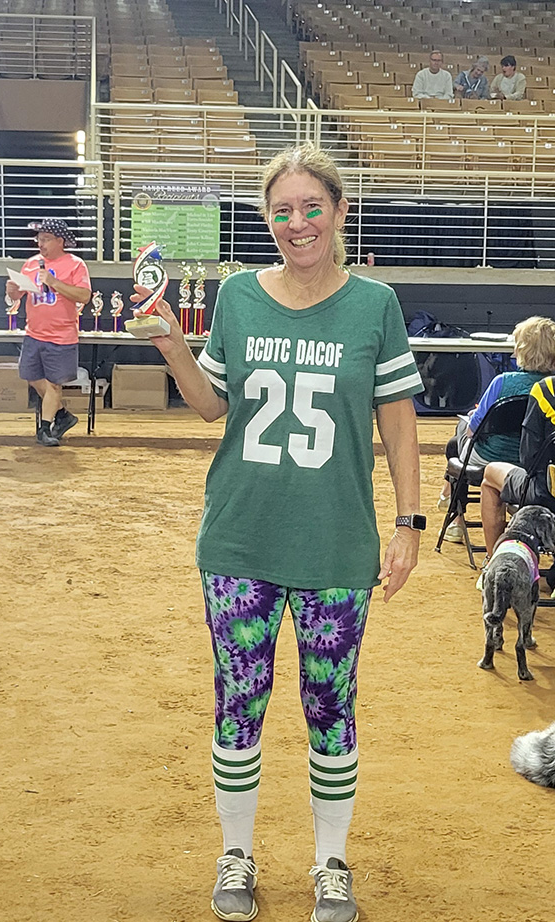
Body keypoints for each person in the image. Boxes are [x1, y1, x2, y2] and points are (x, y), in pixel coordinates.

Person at [131, 143, 425, 922]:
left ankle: (331, 863)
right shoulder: (236, 297)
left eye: (310, 208)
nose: (297, 224)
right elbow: (208, 405)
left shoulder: (376, 306)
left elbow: (397, 423)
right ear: (269, 219)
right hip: (239, 543)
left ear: (338, 210)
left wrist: (408, 522)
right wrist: (169, 341)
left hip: (335, 544)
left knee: (331, 705)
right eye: (281, 211)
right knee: (241, 700)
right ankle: (237, 854)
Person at [438, 316, 555, 543]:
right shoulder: (551, 388)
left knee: (457, 438)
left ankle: (456, 518)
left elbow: (473, 432)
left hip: (494, 460)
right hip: (536, 466)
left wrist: (474, 418)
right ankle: (449, 501)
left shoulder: (502, 382)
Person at [4, 219, 91, 446]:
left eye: (45, 239)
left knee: (54, 384)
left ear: (60, 241)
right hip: (34, 333)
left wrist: (54, 282)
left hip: (61, 335)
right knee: (32, 377)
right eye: (38, 239)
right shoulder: (31, 264)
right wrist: (12, 291)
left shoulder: (75, 264)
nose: (40, 244)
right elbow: (17, 297)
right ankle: (63, 415)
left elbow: (84, 296)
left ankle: (45, 428)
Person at [481, 375, 555, 559]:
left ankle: (493, 562)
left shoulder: (546, 390)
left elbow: (529, 458)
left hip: (545, 492)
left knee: (490, 474)